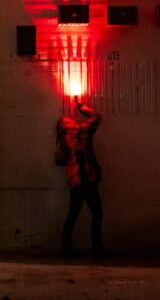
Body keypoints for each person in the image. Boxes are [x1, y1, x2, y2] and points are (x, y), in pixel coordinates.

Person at [57, 101, 104, 259]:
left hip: (76, 182)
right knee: (97, 214)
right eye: (67, 119)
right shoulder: (82, 131)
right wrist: (80, 106)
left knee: (72, 215)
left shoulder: (63, 141)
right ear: (65, 126)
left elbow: (59, 161)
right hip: (88, 179)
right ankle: (97, 250)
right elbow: (96, 117)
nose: (70, 119)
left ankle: (66, 250)